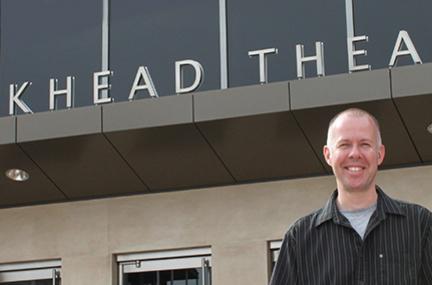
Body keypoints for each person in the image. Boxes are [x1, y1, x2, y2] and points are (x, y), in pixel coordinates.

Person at [270, 108, 432, 285]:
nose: (355, 153)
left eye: (365, 144)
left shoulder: (420, 225)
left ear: (380, 154)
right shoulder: (299, 238)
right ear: (328, 155)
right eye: (344, 145)